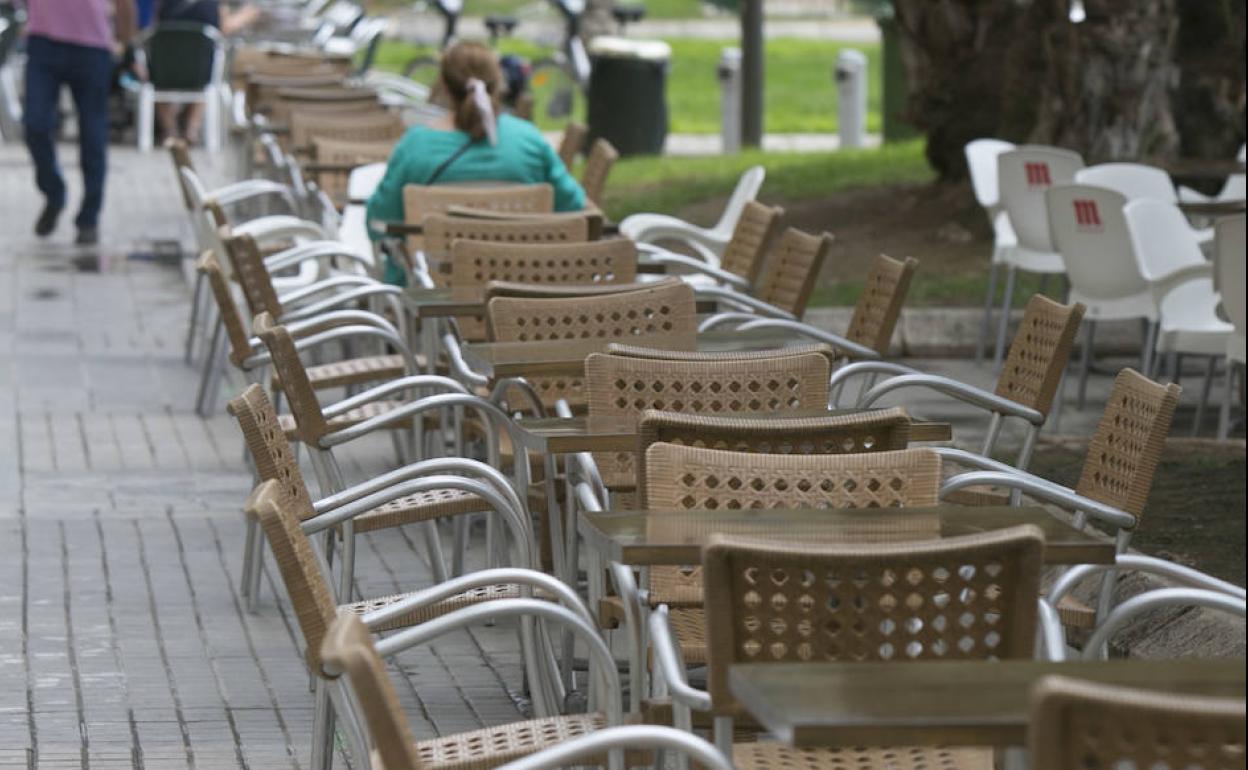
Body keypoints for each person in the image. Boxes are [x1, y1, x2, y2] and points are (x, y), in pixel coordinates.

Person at [366, 41, 587, 285]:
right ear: (499, 83)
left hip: (433, 304)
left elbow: (379, 222)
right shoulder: (529, 140)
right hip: (522, 297)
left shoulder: (415, 146)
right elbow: (574, 209)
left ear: (444, 87)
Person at [23, 0, 138, 245]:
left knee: (93, 137)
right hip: (43, 41)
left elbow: (125, 3)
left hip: (92, 47)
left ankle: (89, 217)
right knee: (35, 124)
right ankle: (54, 194)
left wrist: (128, 45)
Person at [154, 0, 257, 144]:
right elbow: (224, 27)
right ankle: (191, 129)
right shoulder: (210, 4)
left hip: (165, 72)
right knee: (206, 76)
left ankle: (170, 130)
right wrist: (246, 15)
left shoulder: (166, 4)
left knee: (156, 79)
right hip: (199, 73)